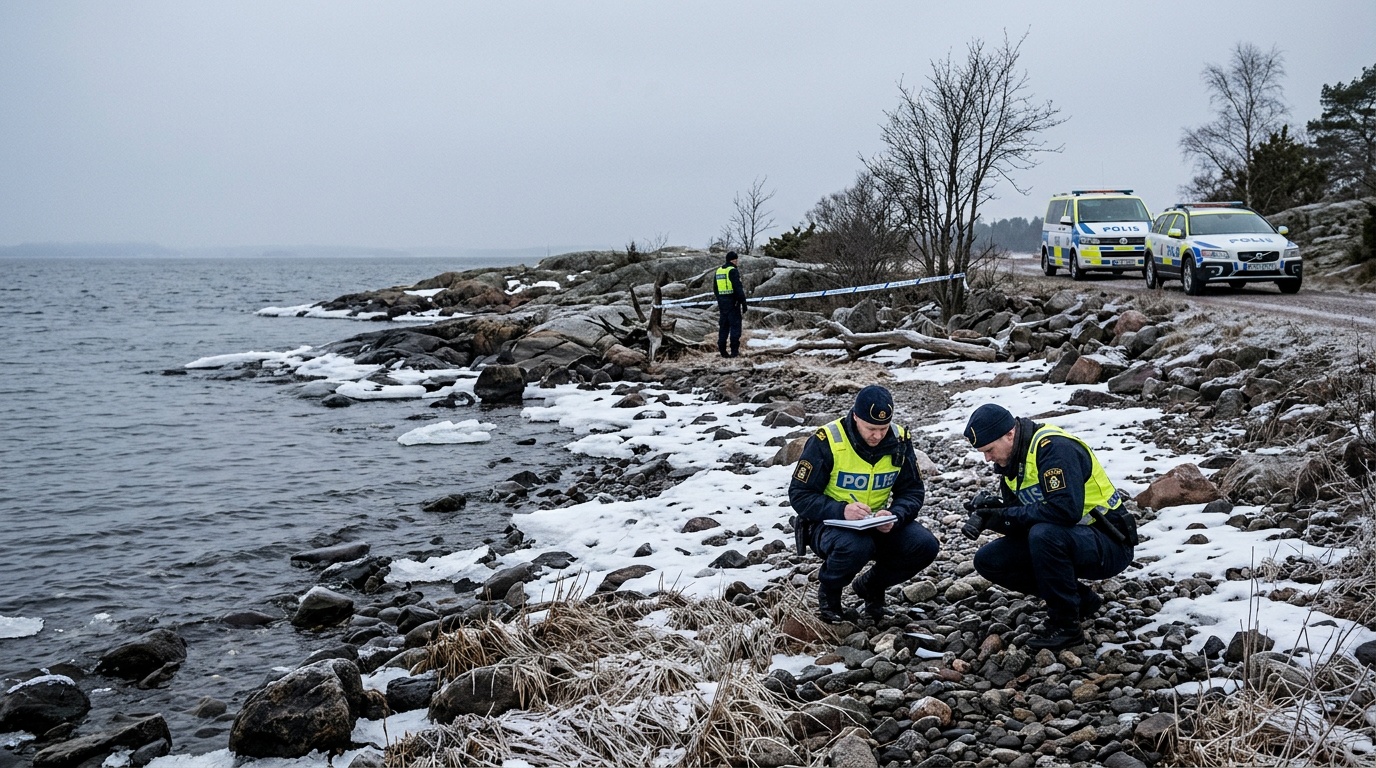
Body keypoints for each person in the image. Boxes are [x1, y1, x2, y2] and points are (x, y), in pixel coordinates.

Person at [960, 403, 1138, 650]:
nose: (987, 458)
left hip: (1111, 542)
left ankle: (1066, 626)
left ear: (1010, 434)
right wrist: (995, 515)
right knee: (989, 560)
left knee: (1045, 534)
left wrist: (1007, 513)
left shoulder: (1053, 449)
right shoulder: (1013, 465)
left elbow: (1065, 511)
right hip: (1073, 539)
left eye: (989, 450)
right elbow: (1023, 523)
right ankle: (1081, 601)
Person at [789, 385, 939, 623]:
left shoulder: (900, 439)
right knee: (856, 546)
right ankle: (829, 593)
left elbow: (912, 491)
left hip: (878, 523)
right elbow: (799, 494)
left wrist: (895, 515)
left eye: (883, 428)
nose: (877, 436)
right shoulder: (826, 440)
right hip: (828, 525)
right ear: (856, 417)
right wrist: (842, 510)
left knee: (925, 545)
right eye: (871, 428)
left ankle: (871, 585)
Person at [712, 251, 748, 358]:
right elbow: (738, 288)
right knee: (735, 327)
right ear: (734, 260)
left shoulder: (718, 271)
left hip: (722, 304)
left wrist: (720, 300)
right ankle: (734, 352)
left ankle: (722, 351)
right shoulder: (733, 271)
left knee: (723, 327)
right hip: (733, 303)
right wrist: (743, 302)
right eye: (737, 260)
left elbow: (715, 288)